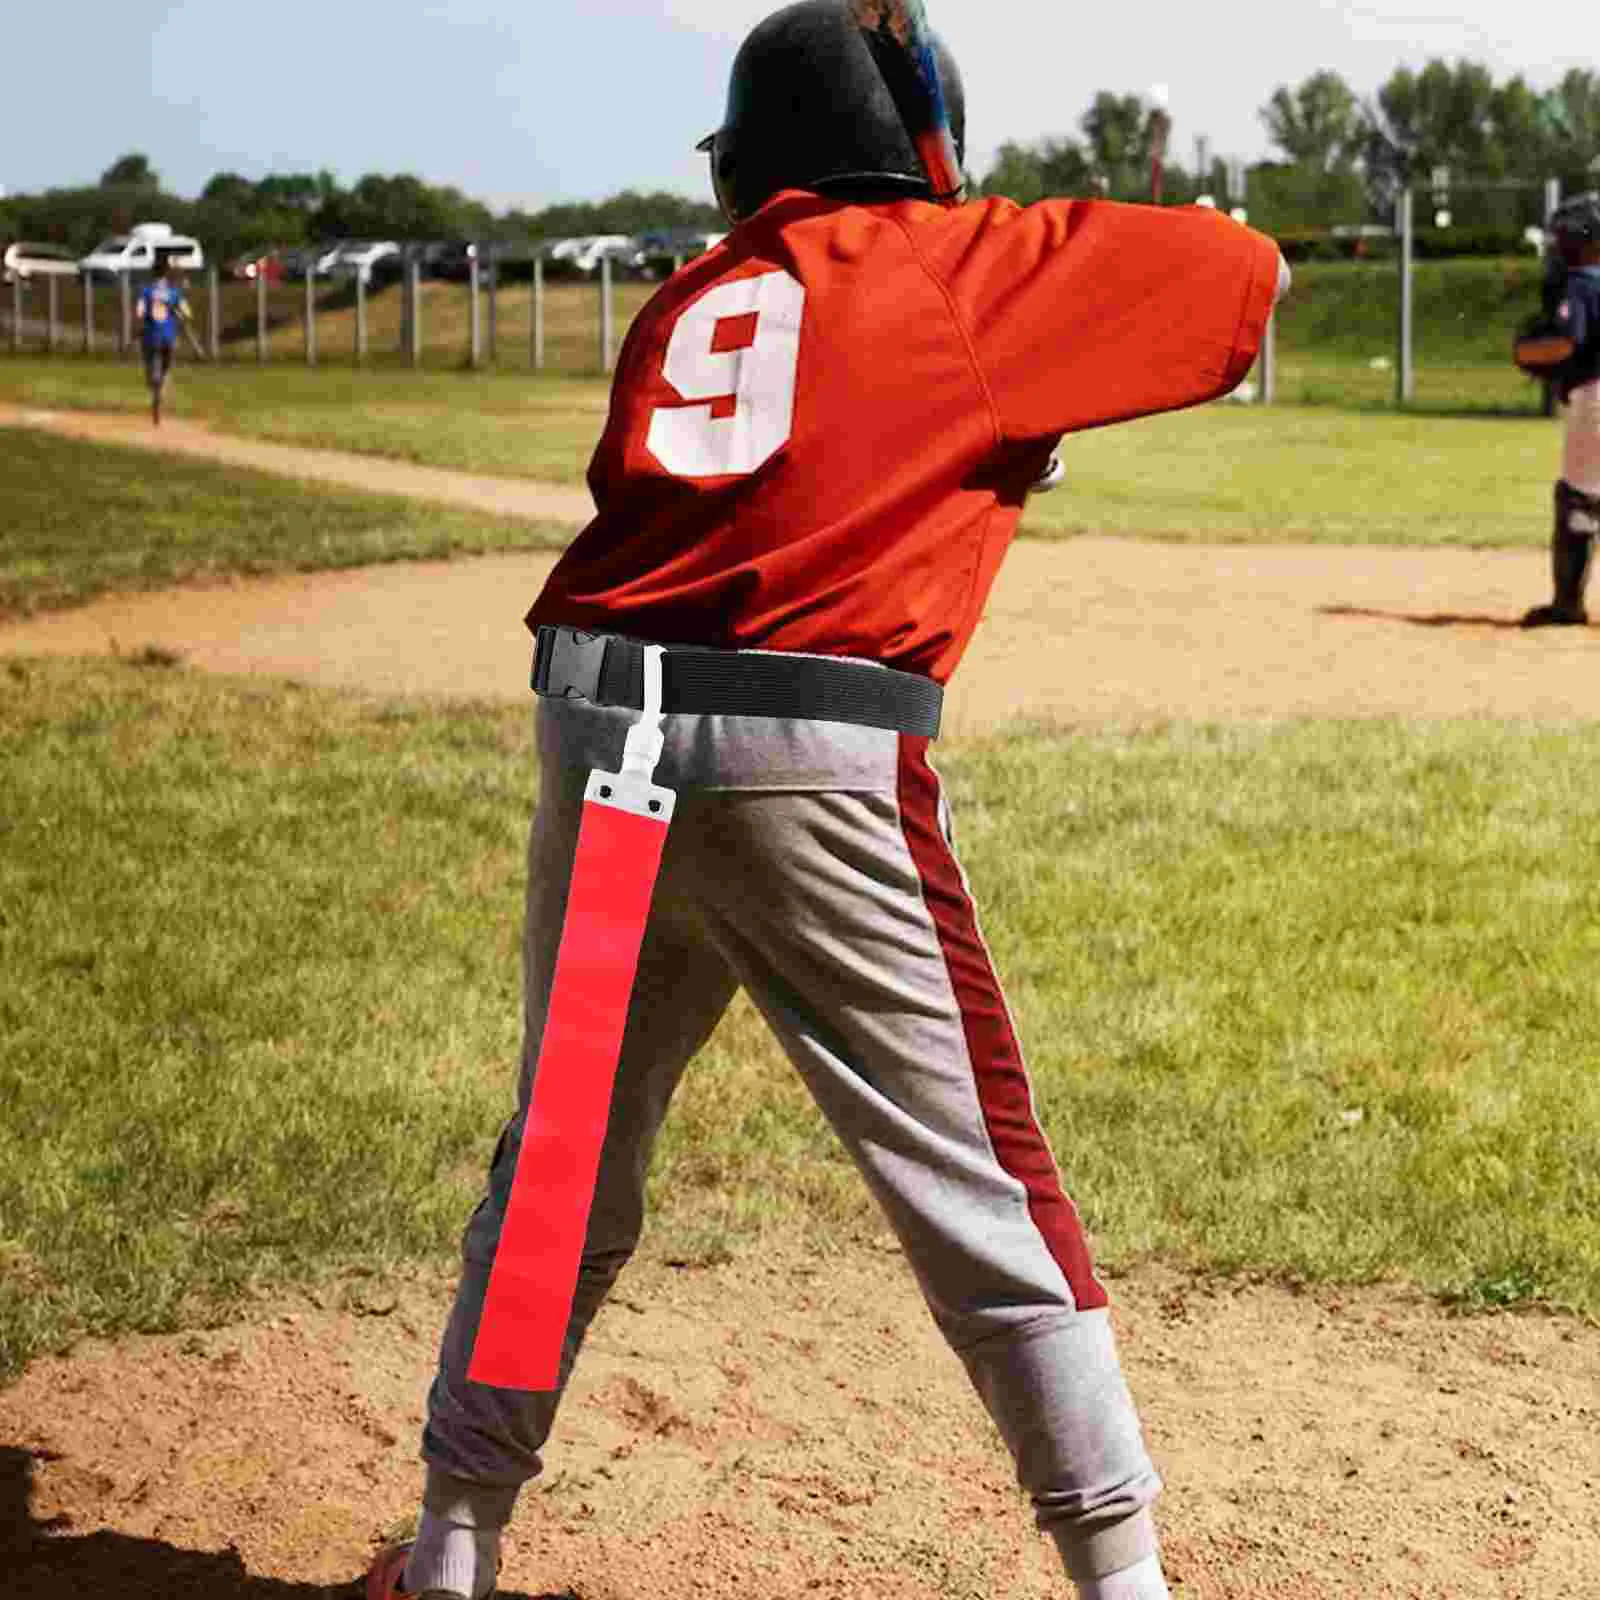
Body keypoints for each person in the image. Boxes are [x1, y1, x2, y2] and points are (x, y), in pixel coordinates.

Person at [365, 4, 1287, 1597]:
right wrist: (984, 240)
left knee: (566, 1162)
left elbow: (794, 462)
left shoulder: (694, 295)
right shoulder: (956, 258)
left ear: (749, 167)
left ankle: (454, 1545)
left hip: (602, 748)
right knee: (976, 1176)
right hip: (803, 762)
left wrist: (999, 400)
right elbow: (1246, 280)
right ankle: (1124, 1581)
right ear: (913, 151)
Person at [1515, 191, 1600, 627]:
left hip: (1595, 397)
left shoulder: (1584, 281)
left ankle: (1568, 603)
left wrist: (1529, 351)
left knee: (1579, 499)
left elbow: (1567, 342)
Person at [133, 252, 201, 425]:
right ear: (166, 274)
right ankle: (162, 380)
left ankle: (154, 381)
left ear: (152, 274)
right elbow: (187, 313)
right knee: (166, 363)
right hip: (168, 337)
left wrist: (141, 323)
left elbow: (139, 313)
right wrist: (180, 313)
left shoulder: (146, 292)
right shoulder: (174, 293)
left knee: (149, 359)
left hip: (151, 336)